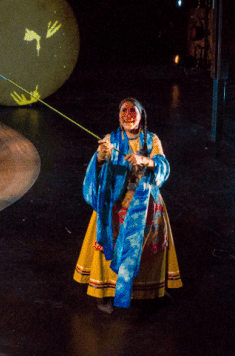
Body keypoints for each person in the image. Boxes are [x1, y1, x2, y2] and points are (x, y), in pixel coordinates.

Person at [73, 97, 182, 312]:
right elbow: (97, 169)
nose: (128, 115)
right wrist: (101, 158)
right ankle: (103, 293)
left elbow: (163, 166)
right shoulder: (110, 139)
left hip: (145, 205)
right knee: (110, 247)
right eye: (124, 110)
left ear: (141, 117)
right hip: (116, 205)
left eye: (133, 111)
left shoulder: (152, 140)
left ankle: (151, 290)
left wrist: (145, 161)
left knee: (146, 250)